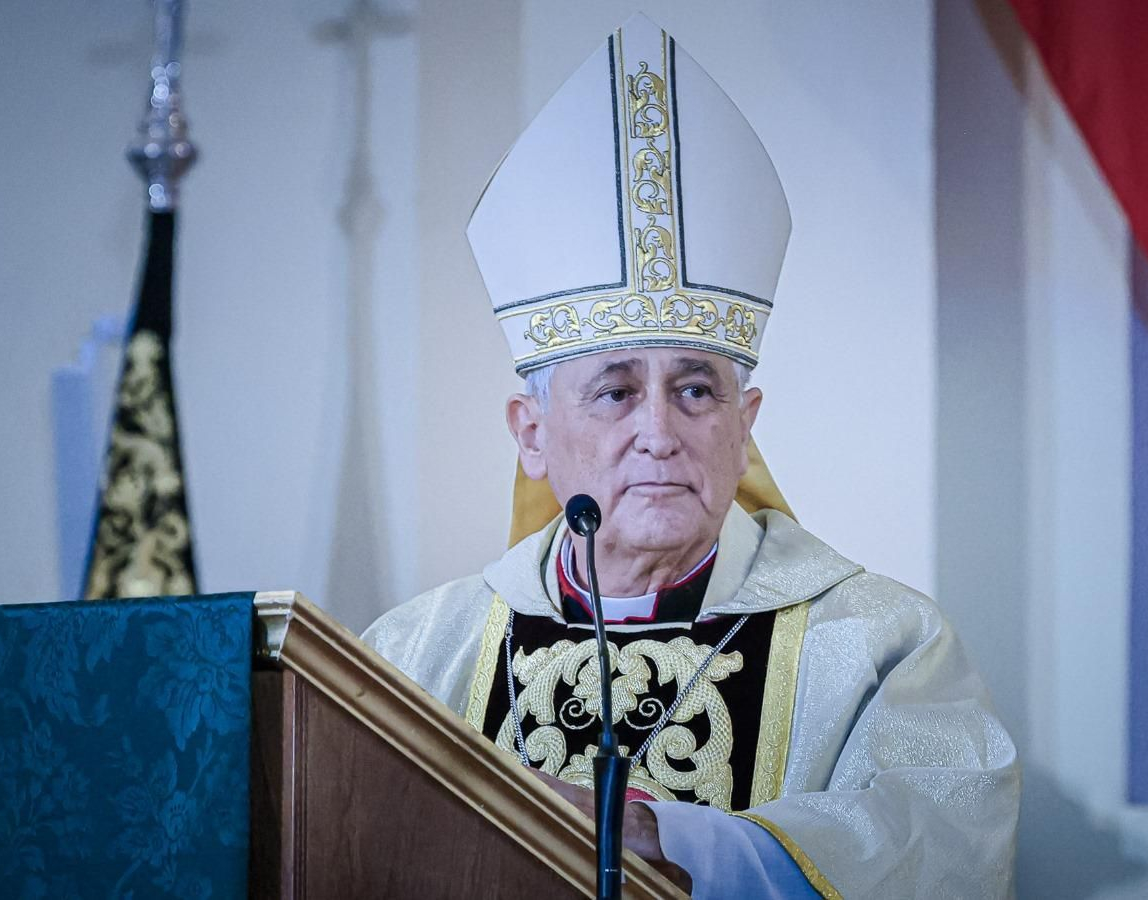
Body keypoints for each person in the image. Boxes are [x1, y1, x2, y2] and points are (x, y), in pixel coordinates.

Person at [363, 14, 1018, 898]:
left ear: (744, 425)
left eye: (697, 389)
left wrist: (674, 841)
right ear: (530, 433)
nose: (661, 430)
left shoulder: (881, 646)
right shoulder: (413, 656)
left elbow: (942, 841)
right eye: (616, 390)